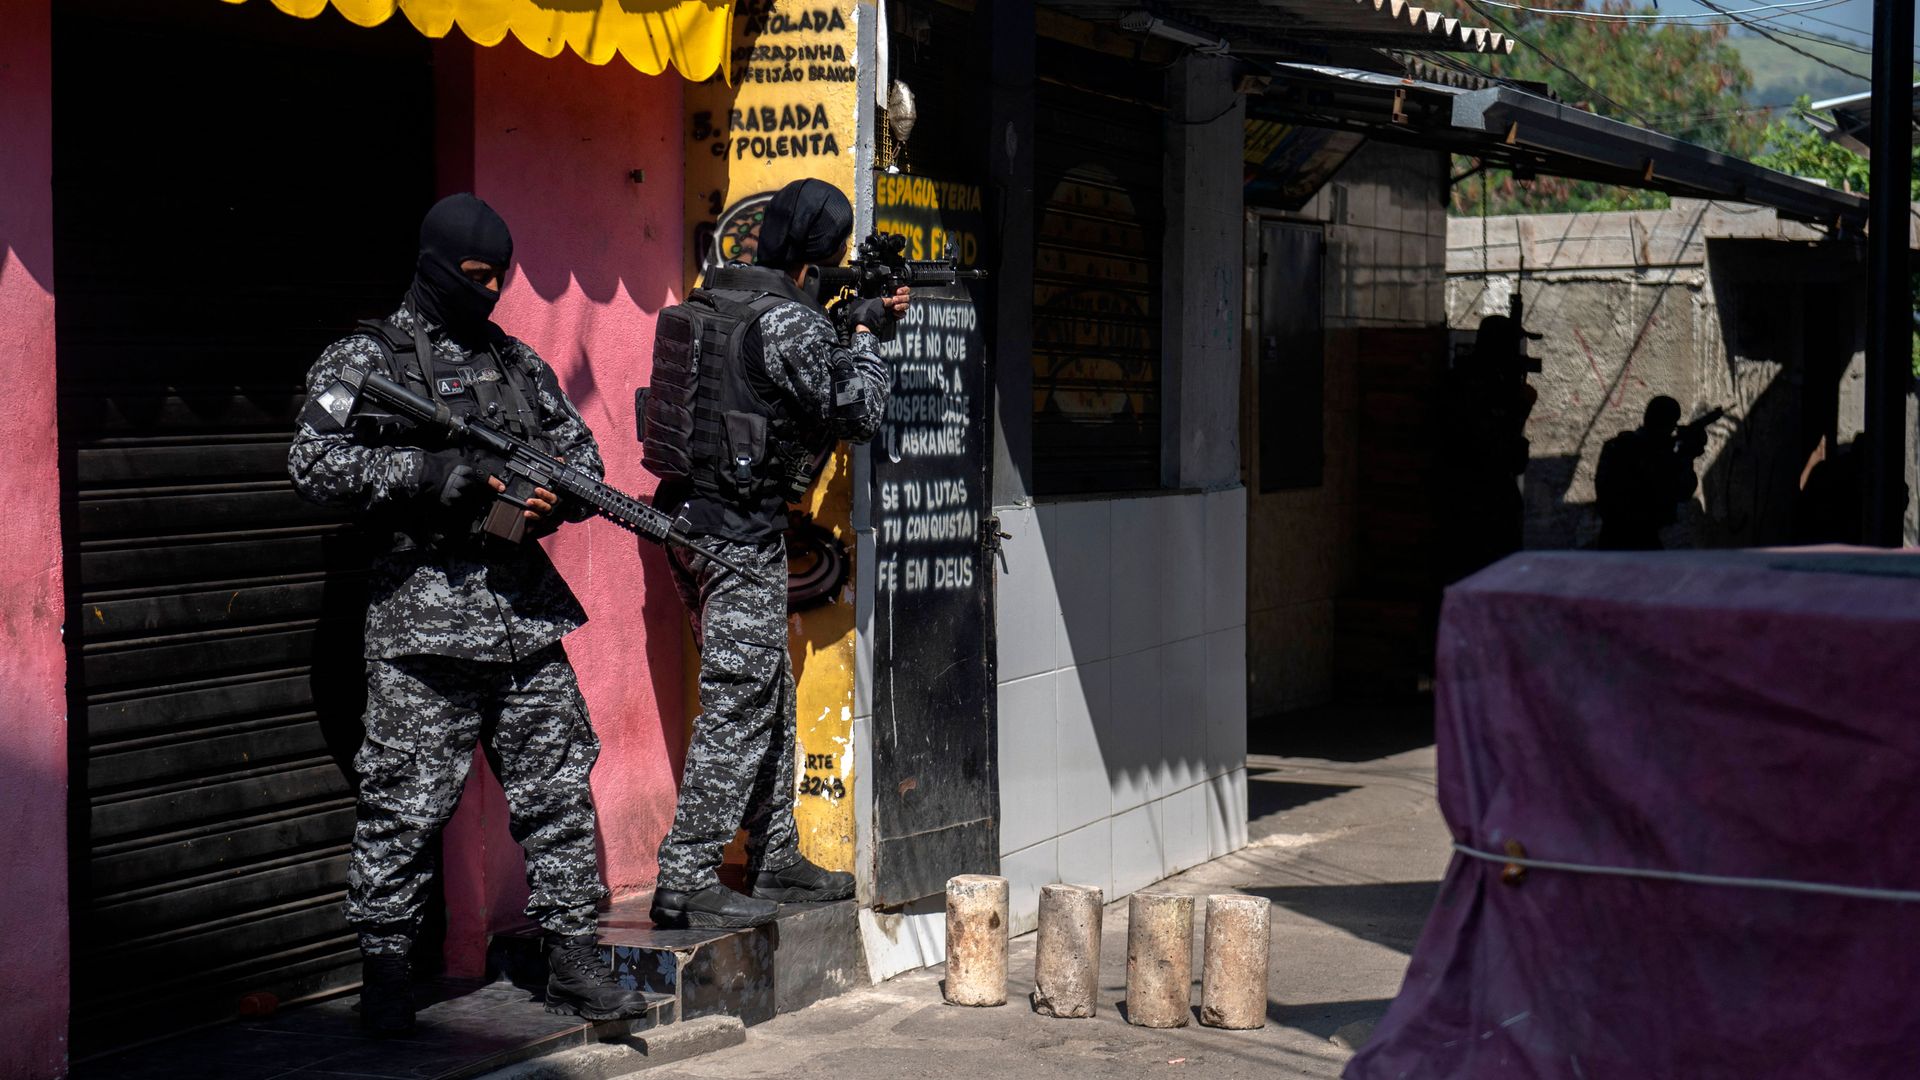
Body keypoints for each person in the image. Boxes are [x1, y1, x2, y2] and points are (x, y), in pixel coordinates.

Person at [288, 194, 650, 1033]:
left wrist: (549, 500)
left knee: (558, 794)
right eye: (475, 277)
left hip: (522, 619)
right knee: (404, 806)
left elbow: (582, 456)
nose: (487, 292)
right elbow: (311, 462)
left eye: (500, 279)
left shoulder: (515, 363)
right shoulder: (364, 358)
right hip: (424, 626)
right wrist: (423, 475)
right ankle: (385, 976)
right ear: (437, 265)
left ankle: (572, 962)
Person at [646, 179, 909, 930]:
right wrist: (861, 336)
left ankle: (775, 854)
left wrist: (840, 322)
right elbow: (856, 411)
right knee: (740, 700)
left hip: (692, 526)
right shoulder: (792, 327)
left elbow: (766, 380)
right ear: (815, 256)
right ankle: (687, 874)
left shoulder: (715, 299)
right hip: (736, 535)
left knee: (768, 692)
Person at [1438, 313, 1539, 582]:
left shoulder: (1476, 382)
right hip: (1477, 504)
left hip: (1481, 501)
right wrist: (1519, 409)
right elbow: (1497, 451)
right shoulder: (1474, 388)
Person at [1594, 395, 1706, 551]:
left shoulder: (1616, 446)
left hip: (1613, 538)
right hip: (1639, 539)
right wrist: (1685, 456)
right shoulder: (1653, 455)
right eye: (1671, 426)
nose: (1672, 431)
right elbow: (1683, 490)